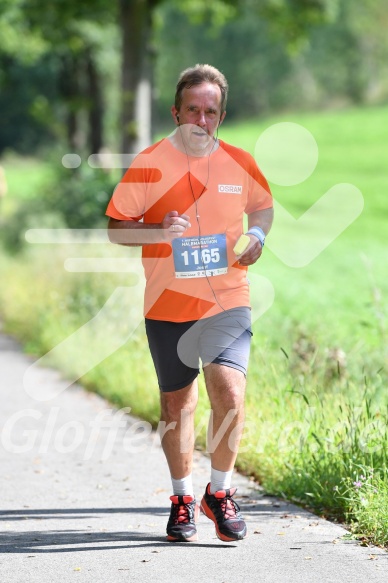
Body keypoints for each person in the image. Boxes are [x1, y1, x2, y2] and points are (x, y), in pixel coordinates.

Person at [106, 64, 273, 542]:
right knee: (177, 407)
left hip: (227, 299)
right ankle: (182, 498)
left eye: (211, 112)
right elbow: (116, 227)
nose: (201, 120)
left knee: (230, 395)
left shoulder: (239, 163)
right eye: (193, 110)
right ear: (176, 111)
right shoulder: (150, 163)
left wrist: (258, 233)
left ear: (221, 115)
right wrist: (159, 230)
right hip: (167, 301)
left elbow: (262, 205)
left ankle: (218, 493)